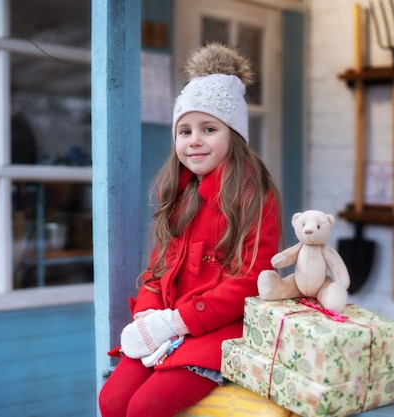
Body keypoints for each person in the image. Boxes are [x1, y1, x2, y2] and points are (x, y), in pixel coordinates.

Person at [98, 42, 282, 417]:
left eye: (208, 128)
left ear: (234, 135)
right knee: (112, 402)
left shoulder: (253, 197)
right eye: (184, 131)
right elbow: (158, 269)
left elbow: (249, 280)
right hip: (168, 326)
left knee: (146, 408)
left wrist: (177, 321)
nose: (194, 139)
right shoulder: (179, 195)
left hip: (217, 332)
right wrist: (148, 316)